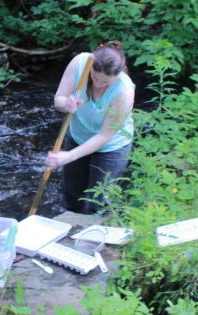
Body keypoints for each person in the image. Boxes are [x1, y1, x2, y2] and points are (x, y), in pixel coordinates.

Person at [46, 41, 135, 214]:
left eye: (105, 81)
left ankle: (97, 236)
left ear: (117, 75)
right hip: (78, 136)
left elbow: (103, 137)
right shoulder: (81, 63)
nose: (98, 83)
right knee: (72, 195)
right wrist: (67, 104)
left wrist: (69, 156)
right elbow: (59, 99)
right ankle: (70, 233)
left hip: (111, 147)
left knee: (99, 202)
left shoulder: (124, 91)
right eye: (95, 77)